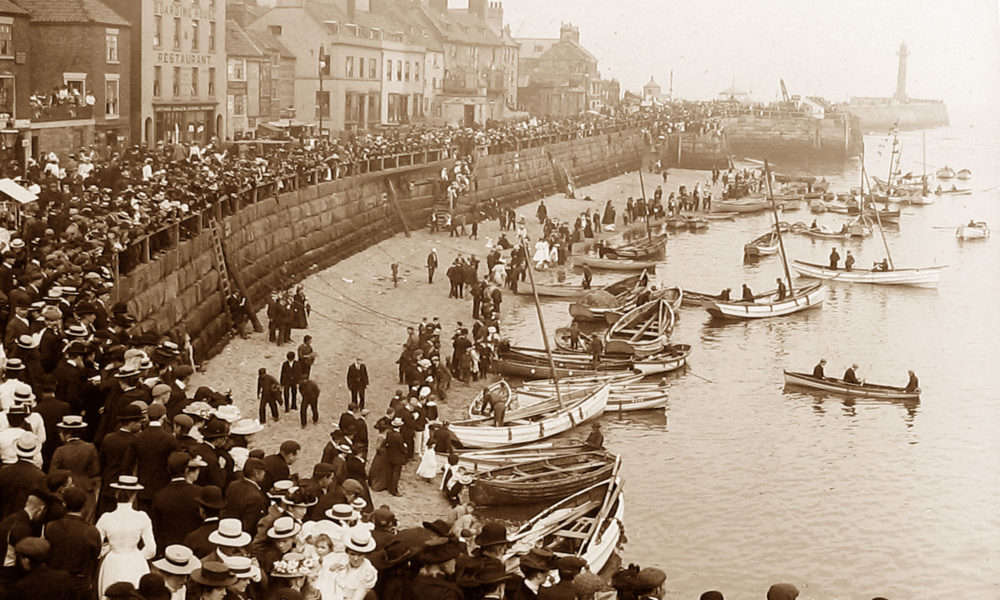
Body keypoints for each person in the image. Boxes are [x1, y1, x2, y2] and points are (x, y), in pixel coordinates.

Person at [96, 475, 156, 595]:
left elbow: (96, 548)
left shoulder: (106, 518)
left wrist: (109, 549)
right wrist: (137, 556)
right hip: (135, 562)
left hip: (113, 562)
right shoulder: (141, 517)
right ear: (134, 495)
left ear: (116, 494)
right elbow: (151, 549)